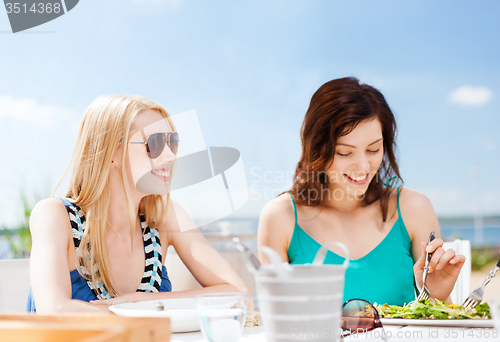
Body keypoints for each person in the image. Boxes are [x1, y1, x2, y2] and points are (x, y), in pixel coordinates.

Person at [28, 95, 251, 313]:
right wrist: (142, 311)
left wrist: (144, 303)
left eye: (172, 142)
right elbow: (55, 310)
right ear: (111, 153)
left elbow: (240, 296)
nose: (169, 156)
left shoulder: (164, 217)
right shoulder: (55, 216)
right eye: (154, 143)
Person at [257, 77, 465, 306]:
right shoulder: (280, 218)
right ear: (315, 147)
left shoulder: (413, 209)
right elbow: (276, 321)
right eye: (345, 153)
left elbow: (440, 325)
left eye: (373, 149)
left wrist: (436, 297)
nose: (364, 167)